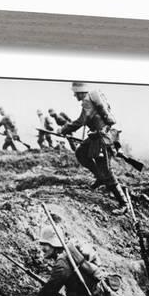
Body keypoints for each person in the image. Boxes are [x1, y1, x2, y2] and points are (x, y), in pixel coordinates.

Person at [60, 82, 128, 214]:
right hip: (96, 136)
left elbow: (80, 121)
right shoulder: (92, 99)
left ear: (80, 91)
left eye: (75, 93)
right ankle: (100, 177)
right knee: (81, 152)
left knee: (106, 170)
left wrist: (64, 129)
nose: (74, 95)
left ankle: (123, 203)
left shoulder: (87, 102)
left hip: (102, 137)